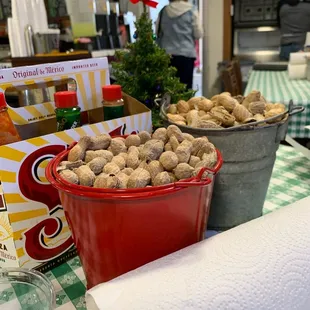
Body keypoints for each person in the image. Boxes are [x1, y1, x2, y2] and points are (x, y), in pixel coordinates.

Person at [156, 0, 203, 90]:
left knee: (169, 89)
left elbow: (158, 33)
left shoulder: (163, 11)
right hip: (186, 56)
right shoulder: (192, 10)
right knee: (185, 90)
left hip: (167, 56)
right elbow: (198, 34)